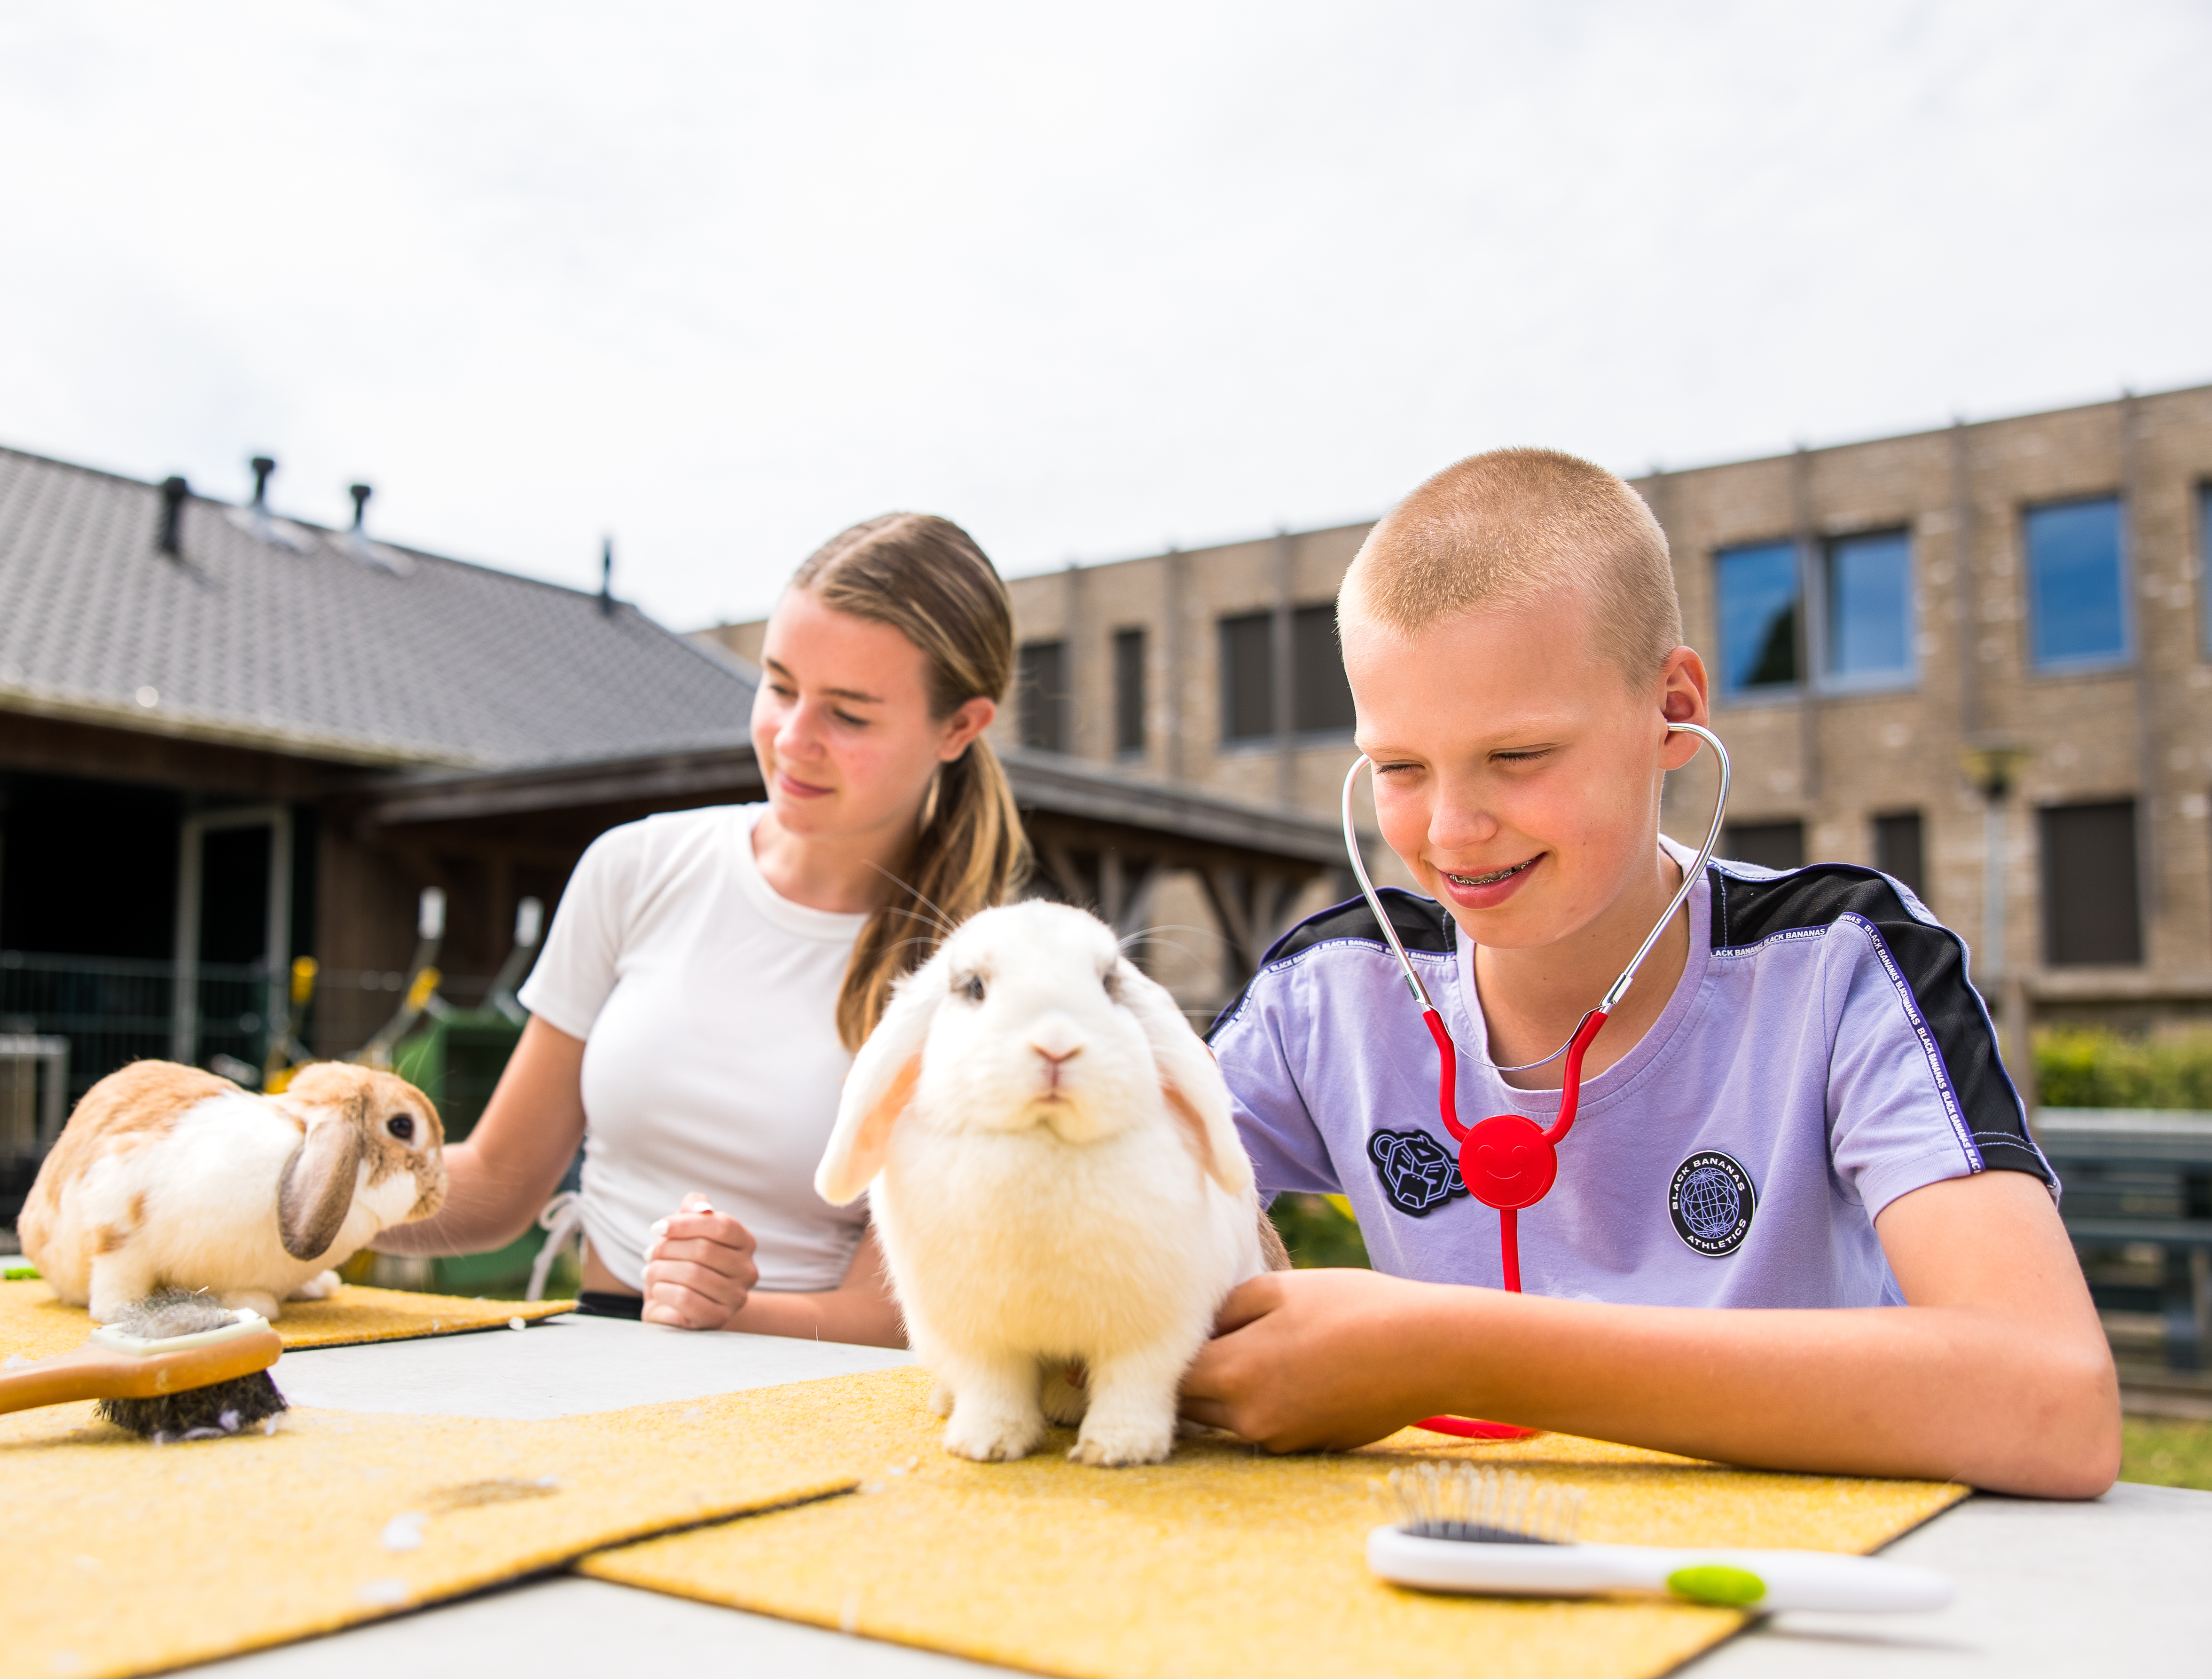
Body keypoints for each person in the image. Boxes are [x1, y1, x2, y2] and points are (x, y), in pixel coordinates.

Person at [1180, 449, 2121, 1498]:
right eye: (1398, 767)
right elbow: (1085, 1209)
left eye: (1519, 754)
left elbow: (2053, 1401)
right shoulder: (1327, 994)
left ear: (1672, 708)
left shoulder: (1842, 966)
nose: (1450, 829)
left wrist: (1459, 1351)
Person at [370, 514, 1027, 1346]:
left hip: (821, 1407)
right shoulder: (634, 867)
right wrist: (272, 1184)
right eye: (781, 686)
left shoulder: (983, 976)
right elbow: (500, 1184)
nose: (792, 740)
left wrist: (731, 1310)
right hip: (593, 1360)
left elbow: (891, 1313)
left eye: (849, 715)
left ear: (960, 728)